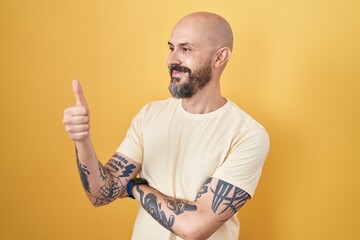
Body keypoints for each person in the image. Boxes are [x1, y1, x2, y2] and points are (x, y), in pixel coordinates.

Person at [63, 12, 270, 240]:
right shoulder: (150, 115)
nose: (172, 60)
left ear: (219, 57)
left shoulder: (248, 134)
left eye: (186, 49)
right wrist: (82, 141)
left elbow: (195, 228)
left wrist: (135, 187)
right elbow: (102, 194)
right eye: (171, 48)